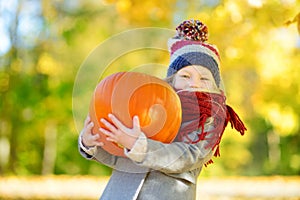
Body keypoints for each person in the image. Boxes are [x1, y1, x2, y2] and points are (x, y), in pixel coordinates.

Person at [78, 19, 246, 200]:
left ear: (215, 85)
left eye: (204, 78)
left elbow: (188, 156)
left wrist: (139, 145)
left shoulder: (211, 119)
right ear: (172, 79)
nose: (194, 83)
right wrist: (93, 144)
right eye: (185, 75)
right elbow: (120, 157)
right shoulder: (152, 107)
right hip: (120, 194)